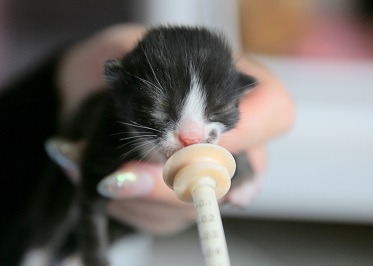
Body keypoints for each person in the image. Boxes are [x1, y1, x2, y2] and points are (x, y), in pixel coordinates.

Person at [0, 23, 294, 261]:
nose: (191, 137)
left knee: (124, 216)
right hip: (29, 183)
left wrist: (239, 167)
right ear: (119, 87)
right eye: (160, 109)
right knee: (57, 202)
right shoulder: (105, 123)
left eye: (216, 111)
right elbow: (90, 199)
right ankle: (40, 248)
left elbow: (237, 147)